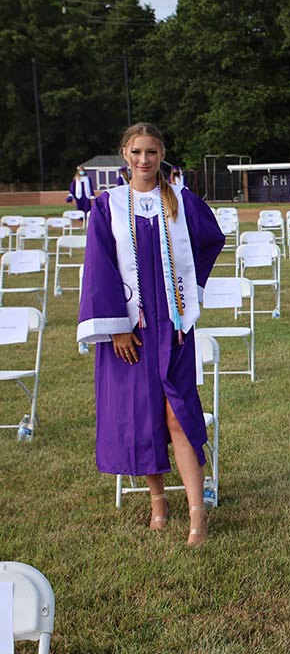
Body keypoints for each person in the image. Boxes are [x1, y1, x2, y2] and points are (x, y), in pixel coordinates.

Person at [76, 123, 225, 546]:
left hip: (173, 328)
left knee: (178, 415)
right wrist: (117, 328)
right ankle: (158, 500)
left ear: (162, 156)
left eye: (152, 152)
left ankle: (197, 512)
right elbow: (99, 265)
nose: (145, 160)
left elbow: (211, 239)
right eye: (137, 151)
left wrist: (187, 291)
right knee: (143, 416)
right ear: (125, 154)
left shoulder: (180, 201)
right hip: (132, 332)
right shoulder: (109, 206)